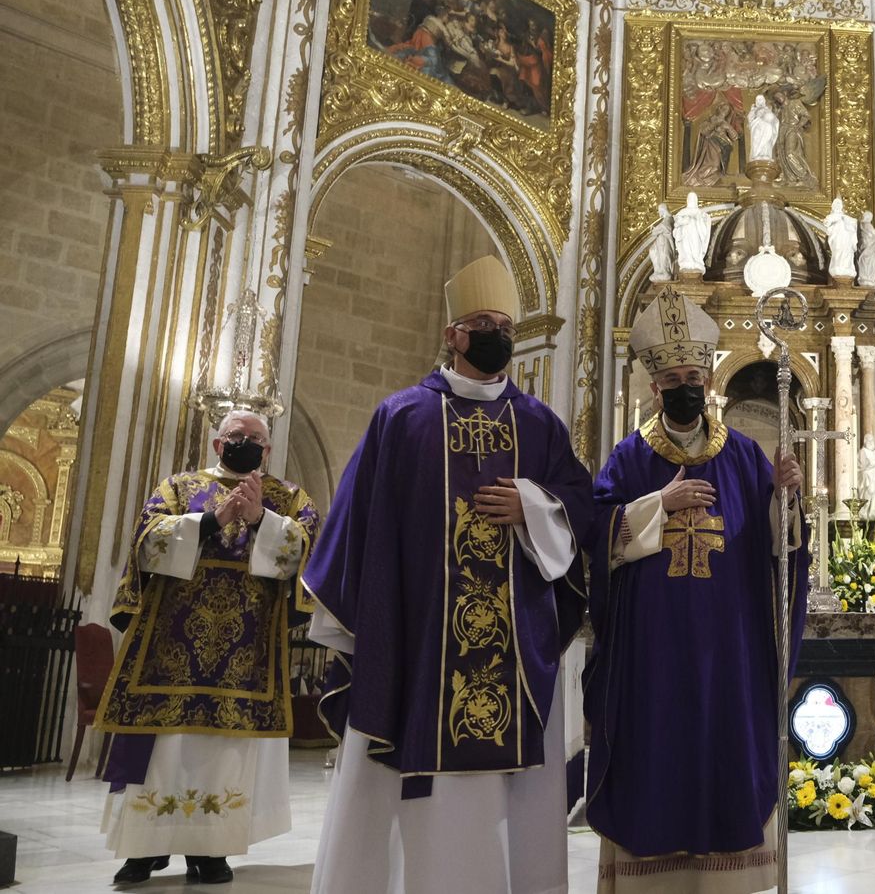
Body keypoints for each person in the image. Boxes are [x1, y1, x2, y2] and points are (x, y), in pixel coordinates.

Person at [303, 255, 593, 894]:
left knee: (511, 785)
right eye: (481, 323)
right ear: (452, 335)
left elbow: (583, 508)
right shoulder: (402, 418)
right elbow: (360, 527)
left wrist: (535, 508)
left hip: (514, 647)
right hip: (420, 645)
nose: (496, 335)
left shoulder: (540, 424)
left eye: (504, 325)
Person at [584, 290, 807, 893]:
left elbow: (779, 550)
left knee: (723, 753)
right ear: (654, 389)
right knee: (655, 754)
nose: (684, 387)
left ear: (708, 382)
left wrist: (785, 499)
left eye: (693, 377)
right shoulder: (628, 459)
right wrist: (661, 503)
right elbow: (596, 537)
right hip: (650, 655)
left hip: (728, 653)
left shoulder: (743, 457)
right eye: (672, 379)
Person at [95, 410, 319, 886]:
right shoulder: (177, 487)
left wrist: (262, 519)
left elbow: (308, 550)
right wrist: (210, 521)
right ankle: (144, 849)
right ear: (218, 445)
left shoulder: (288, 496)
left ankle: (210, 849)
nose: (246, 443)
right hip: (168, 647)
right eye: (237, 436)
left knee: (225, 751)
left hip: (245, 654)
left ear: (268, 450)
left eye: (256, 438)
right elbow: (147, 540)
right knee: (163, 747)